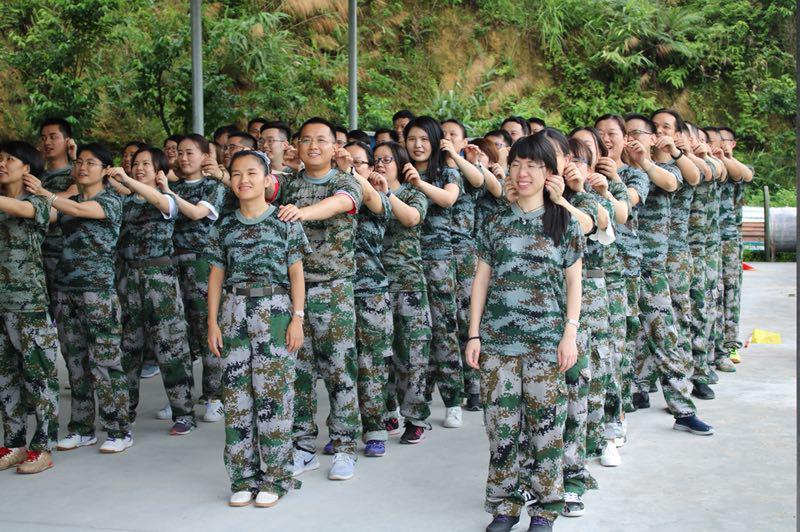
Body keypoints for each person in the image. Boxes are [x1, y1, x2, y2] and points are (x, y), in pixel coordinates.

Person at [466, 133, 582, 532]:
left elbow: (574, 282)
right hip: (498, 343)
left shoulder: (563, 220)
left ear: (548, 172)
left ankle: (545, 509)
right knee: (501, 429)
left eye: (532, 165)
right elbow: (481, 280)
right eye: (516, 164)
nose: (522, 172)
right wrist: (474, 334)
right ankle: (505, 505)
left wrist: (569, 334)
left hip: (546, 343)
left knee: (545, 429)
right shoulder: (496, 221)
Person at [206, 149, 308, 508]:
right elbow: (216, 276)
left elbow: (296, 273)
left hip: (275, 311)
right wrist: (212, 322)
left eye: (252, 173)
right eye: (236, 173)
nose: (243, 180)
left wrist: (298, 318)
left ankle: (276, 479)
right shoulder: (224, 226)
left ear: (267, 180)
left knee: (274, 397)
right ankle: (242, 478)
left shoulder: (285, 221)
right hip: (234, 312)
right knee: (236, 399)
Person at [25, 142, 133, 453]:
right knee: (75, 361)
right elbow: (46, 214)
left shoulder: (111, 201)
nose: (82, 167)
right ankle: (82, 428)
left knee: (105, 361)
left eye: (91, 163)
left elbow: (79, 211)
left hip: (97, 291)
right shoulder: (67, 201)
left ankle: (119, 429)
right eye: (79, 162)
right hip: (65, 290)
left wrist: (46, 194)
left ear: (105, 170)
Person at [278, 117, 363, 481]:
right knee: (298, 372)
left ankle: (344, 447)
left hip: (333, 289)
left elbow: (338, 204)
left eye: (321, 140)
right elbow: (259, 188)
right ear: (296, 146)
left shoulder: (346, 181)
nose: (313, 146)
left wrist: (301, 213)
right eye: (306, 140)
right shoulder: (288, 184)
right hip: (294, 290)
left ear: (334, 147)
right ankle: (302, 446)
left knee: (340, 370)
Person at [623, 114, 713, 435]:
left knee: (665, 335)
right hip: (620, 268)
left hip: (653, 268)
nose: (631, 139)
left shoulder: (665, 169)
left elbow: (674, 182)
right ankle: (627, 396)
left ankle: (683, 409)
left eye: (638, 133)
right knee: (624, 338)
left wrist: (647, 161)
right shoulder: (616, 172)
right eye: (626, 133)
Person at [108, 147, 196, 435]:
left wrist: (128, 182)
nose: (139, 168)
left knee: (171, 346)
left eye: (146, 164)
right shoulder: (123, 202)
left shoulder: (166, 198)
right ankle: (125, 411)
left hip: (159, 280)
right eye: (136, 163)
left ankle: (184, 413)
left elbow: (161, 202)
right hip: (127, 278)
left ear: (159, 171)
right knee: (127, 348)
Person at [0, 141, 61, 474]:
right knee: (5, 378)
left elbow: (26, 211)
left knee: (40, 377)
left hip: (29, 304)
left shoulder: (37, 201)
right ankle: (14, 443)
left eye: (9, 159)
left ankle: (43, 446)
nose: (2, 163)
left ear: (27, 168)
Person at [331, 140, 394, 457]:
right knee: (339, 365)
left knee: (371, 365)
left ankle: (375, 429)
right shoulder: (332, 194)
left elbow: (369, 198)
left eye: (359, 162)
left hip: (371, 292)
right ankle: (343, 429)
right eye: (346, 161)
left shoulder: (376, 194)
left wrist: (349, 172)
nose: (351, 166)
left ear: (371, 168)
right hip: (336, 290)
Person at [159, 134, 228, 423]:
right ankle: (180, 399)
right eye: (180, 153)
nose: (184, 158)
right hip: (171, 262)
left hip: (202, 263)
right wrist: (167, 190)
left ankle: (214, 396)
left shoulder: (213, 187)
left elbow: (198, 213)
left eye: (190, 153)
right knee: (177, 334)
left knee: (207, 330)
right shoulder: (171, 187)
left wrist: (167, 194)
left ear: (205, 157)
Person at [404, 116, 464, 431]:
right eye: (412, 139)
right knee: (415, 335)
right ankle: (418, 401)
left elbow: (448, 198)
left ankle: (453, 400)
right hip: (407, 260)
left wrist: (418, 184)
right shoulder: (400, 170)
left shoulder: (446, 171)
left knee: (444, 330)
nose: (417, 145)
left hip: (438, 259)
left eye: (424, 139)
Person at [375, 141, 432, 441]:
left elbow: (411, 218)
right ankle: (388, 412)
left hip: (408, 283)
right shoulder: (369, 194)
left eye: (387, 159)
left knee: (413, 353)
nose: (380, 164)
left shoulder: (413, 192)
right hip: (377, 284)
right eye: (376, 159)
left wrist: (387, 194)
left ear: (399, 163)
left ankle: (415, 417)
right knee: (381, 353)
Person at [595, 114, 649, 418]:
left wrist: (613, 177)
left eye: (612, 133)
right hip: (594, 264)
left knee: (623, 332)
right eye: (600, 133)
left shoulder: (633, 174)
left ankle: (621, 399)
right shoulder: (584, 172)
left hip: (625, 262)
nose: (606, 138)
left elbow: (629, 203)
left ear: (624, 138)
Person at [441, 118, 485, 413]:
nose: (446, 138)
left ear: (464, 141)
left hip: (465, 254)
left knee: (468, 321)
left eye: (452, 135)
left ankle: (475, 387)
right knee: (445, 323)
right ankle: (452, 395)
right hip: (438, 254)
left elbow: (480, 181)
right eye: (442, 134)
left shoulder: (467, 168)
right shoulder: (434, 170)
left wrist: (457, 157)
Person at [715, 126, 753, 368]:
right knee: (713, 294)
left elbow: (746, 175)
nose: (719, 144)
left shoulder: (735, 167)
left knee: (730, 291)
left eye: (724, 140)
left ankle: (730, 344)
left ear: (733, 143)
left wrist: (726, 157)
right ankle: (714, 345)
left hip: (729, 238)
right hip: (707, 238)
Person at [38, 118, 76, 314]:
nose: (47, 142)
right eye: (44, 138)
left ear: (68, 141)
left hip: (64, 255)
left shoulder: (77, 173)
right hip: (37, 255)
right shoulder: (35, 177)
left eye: (53, 137)